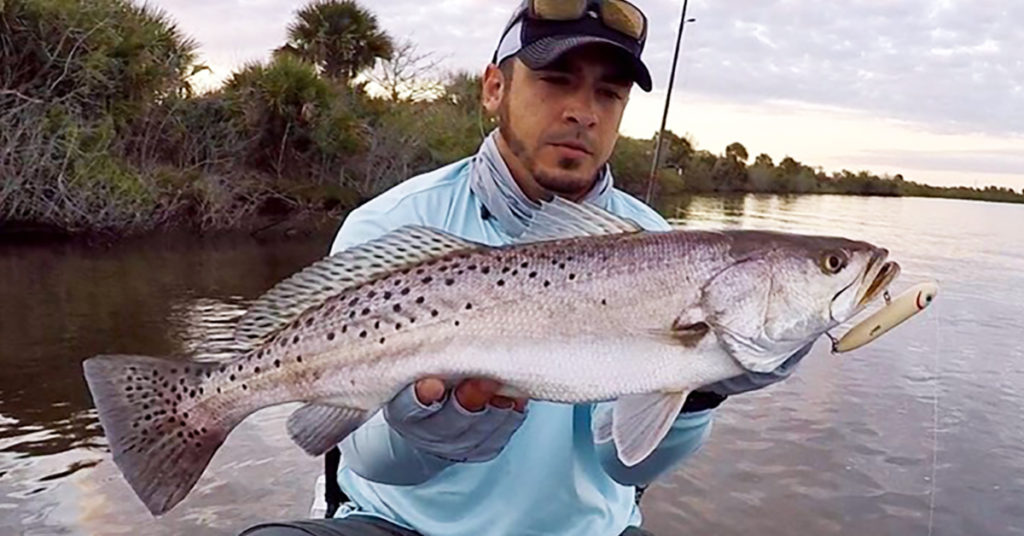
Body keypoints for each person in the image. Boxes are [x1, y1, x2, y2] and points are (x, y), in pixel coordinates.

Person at [241, 1, 810, 535]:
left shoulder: (665, 247)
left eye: (608, 94)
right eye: (555, 81)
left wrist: (702, 390)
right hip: (402, 526)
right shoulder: (389, 223)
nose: (582, 113)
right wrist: (424, 437)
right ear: (494, 88)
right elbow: (366, 459)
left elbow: (627, 464)